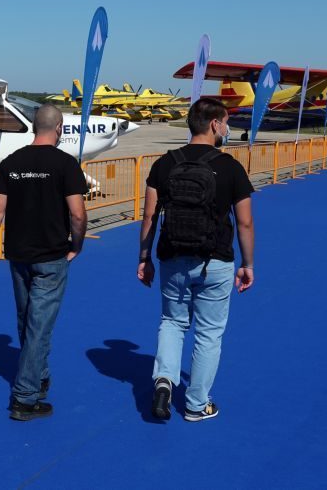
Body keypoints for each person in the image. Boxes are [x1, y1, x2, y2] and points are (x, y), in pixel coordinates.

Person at [137, 97, 255, 422]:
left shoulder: (164, 164)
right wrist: (248, 263)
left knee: (172, 322)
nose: (228, 129)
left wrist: (144, 257)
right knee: (208, 333)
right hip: (216, 261)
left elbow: (149, 217)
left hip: (172, 256)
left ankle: (163, 380)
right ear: (215, 125)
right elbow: (244, 221)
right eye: (227, 122)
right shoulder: (230, 167)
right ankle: (196, 404)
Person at [0, 104, 87, 421]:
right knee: (39, 327)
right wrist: (76, 246)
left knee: (27, 320)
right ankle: (25, 397)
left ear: (34, 126)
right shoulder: (66, 164)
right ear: (60, 128)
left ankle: (39, 373)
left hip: (18, 255)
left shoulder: (12, 162)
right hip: (51, 256)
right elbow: (77, 214)